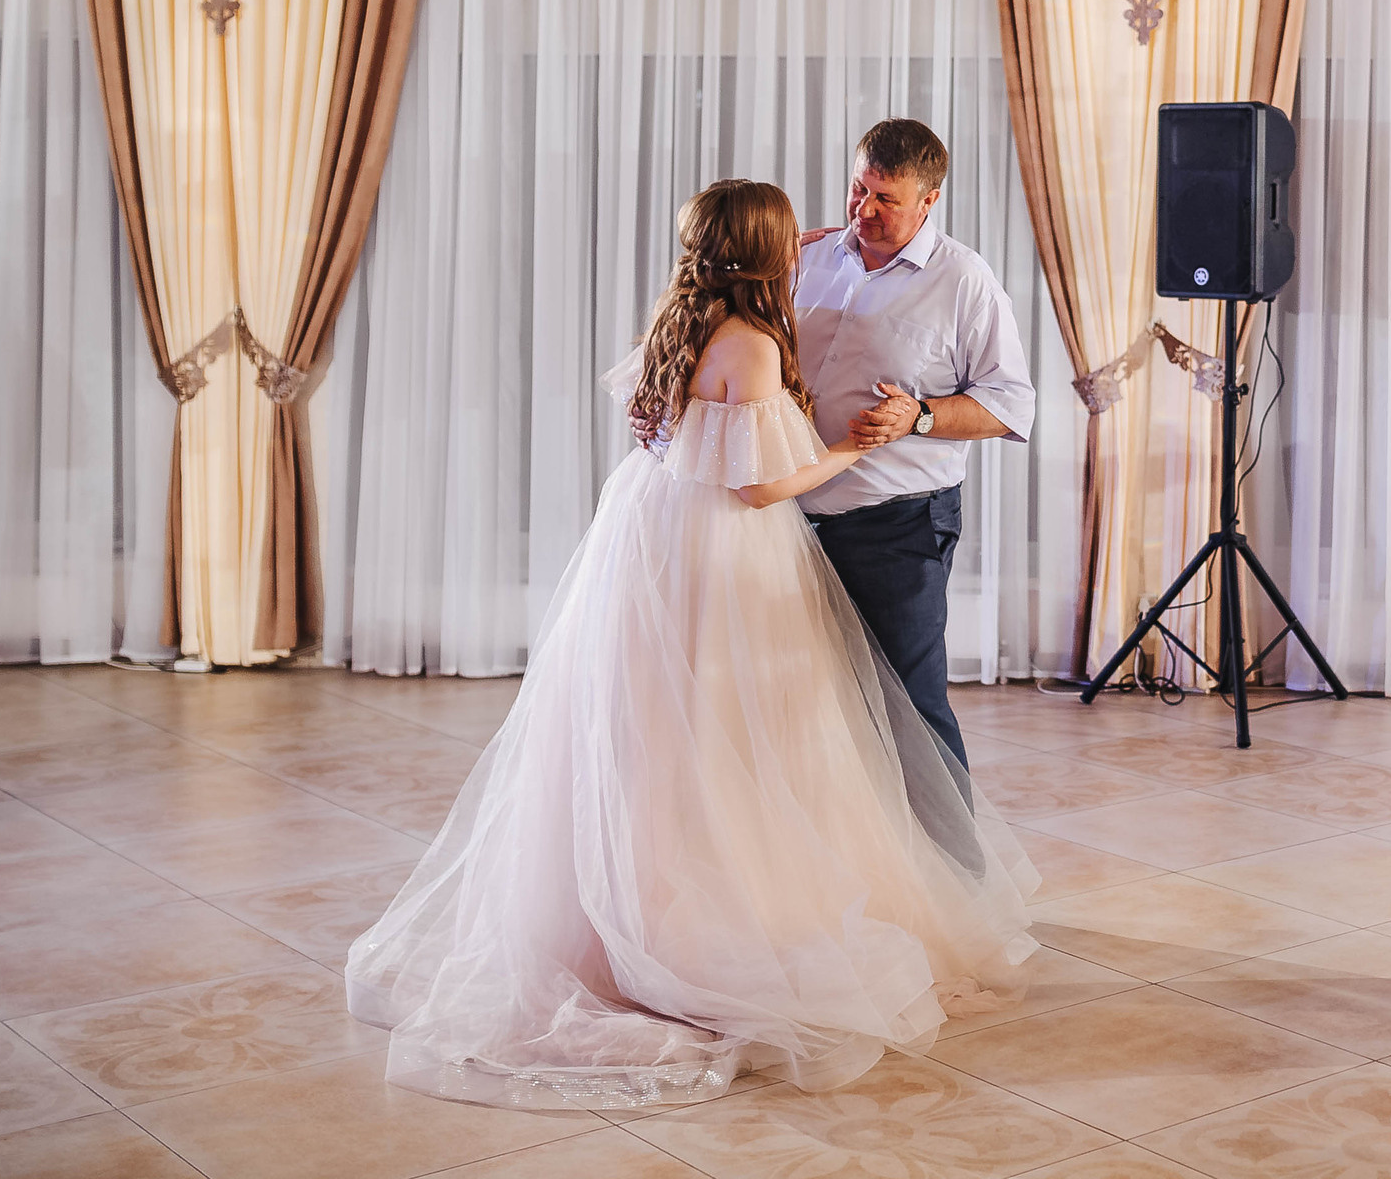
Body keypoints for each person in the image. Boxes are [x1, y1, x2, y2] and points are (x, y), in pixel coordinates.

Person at [347, 180, 1039, 1108]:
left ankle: (641, 895)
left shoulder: (683, 320)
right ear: (764, 254)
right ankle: (707, 920)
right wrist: (856, 446)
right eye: (793, 238)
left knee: (662, 737)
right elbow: (761, 486)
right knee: (732, 735)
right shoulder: (751, 343)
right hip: (723, 548)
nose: (818, 242)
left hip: (655, 537)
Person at [793, 120, 1036, 772]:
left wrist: (920, 415)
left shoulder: (964, 282)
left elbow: (1009, 404)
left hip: (896, 526)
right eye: (857, 189)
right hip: (785, 519)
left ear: (928, 201)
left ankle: (955, 870)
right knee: (798, 702)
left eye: (885, 198)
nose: (863, 210)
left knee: (910, 706)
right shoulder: (807, 257)